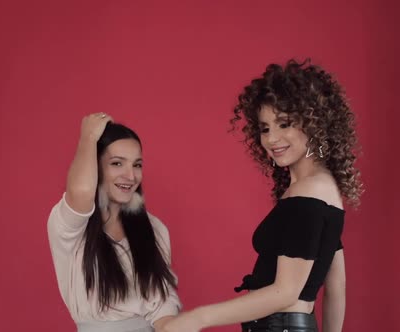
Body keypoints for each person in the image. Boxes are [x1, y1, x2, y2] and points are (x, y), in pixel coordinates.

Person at [158, 59, 363, 332]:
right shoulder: (323, 188)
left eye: (284, 124)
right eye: (265, 128)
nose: (272, 138)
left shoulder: (309, 192)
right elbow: (336, 286)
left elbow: (287, 292)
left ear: (315, 125)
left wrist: (198, 318)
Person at [47, 113, 181, 332]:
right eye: (117, 163)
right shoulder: (69, 227)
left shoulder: (154, 228)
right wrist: (88, 138)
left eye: (137, 165)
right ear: (95, 167)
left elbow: (162, 302)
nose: (130, 176)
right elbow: (81, 191)